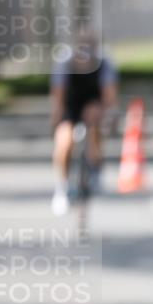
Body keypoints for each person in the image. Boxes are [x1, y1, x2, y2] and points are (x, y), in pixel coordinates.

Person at [50, 30, 118, 216]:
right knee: (64, 142)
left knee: (95, 128)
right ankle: (62, 188)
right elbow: (59, 96)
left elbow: (109, 97)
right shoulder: (64, 63)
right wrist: (57, 119)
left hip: (93, 102)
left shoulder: (105, 63)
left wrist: (104, 112)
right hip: (71, 104)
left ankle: (95, 168)